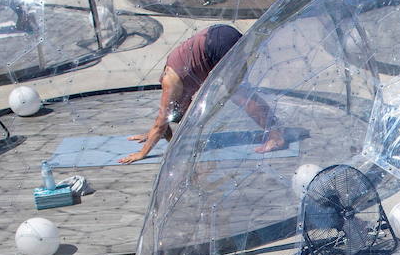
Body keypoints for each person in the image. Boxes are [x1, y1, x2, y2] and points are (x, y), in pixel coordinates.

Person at [119, 24, 286, 164]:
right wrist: (151, 135)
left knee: (240, 95)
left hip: (218, 44)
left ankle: (276, 136)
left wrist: (142, 153)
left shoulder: (171, 85)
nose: (188, 106)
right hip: (217, 34)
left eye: (183, 110)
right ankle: (275, 129)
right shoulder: (173, 78)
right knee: (241, 92)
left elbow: (161, 121)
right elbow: (162, 122)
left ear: (180, 107)